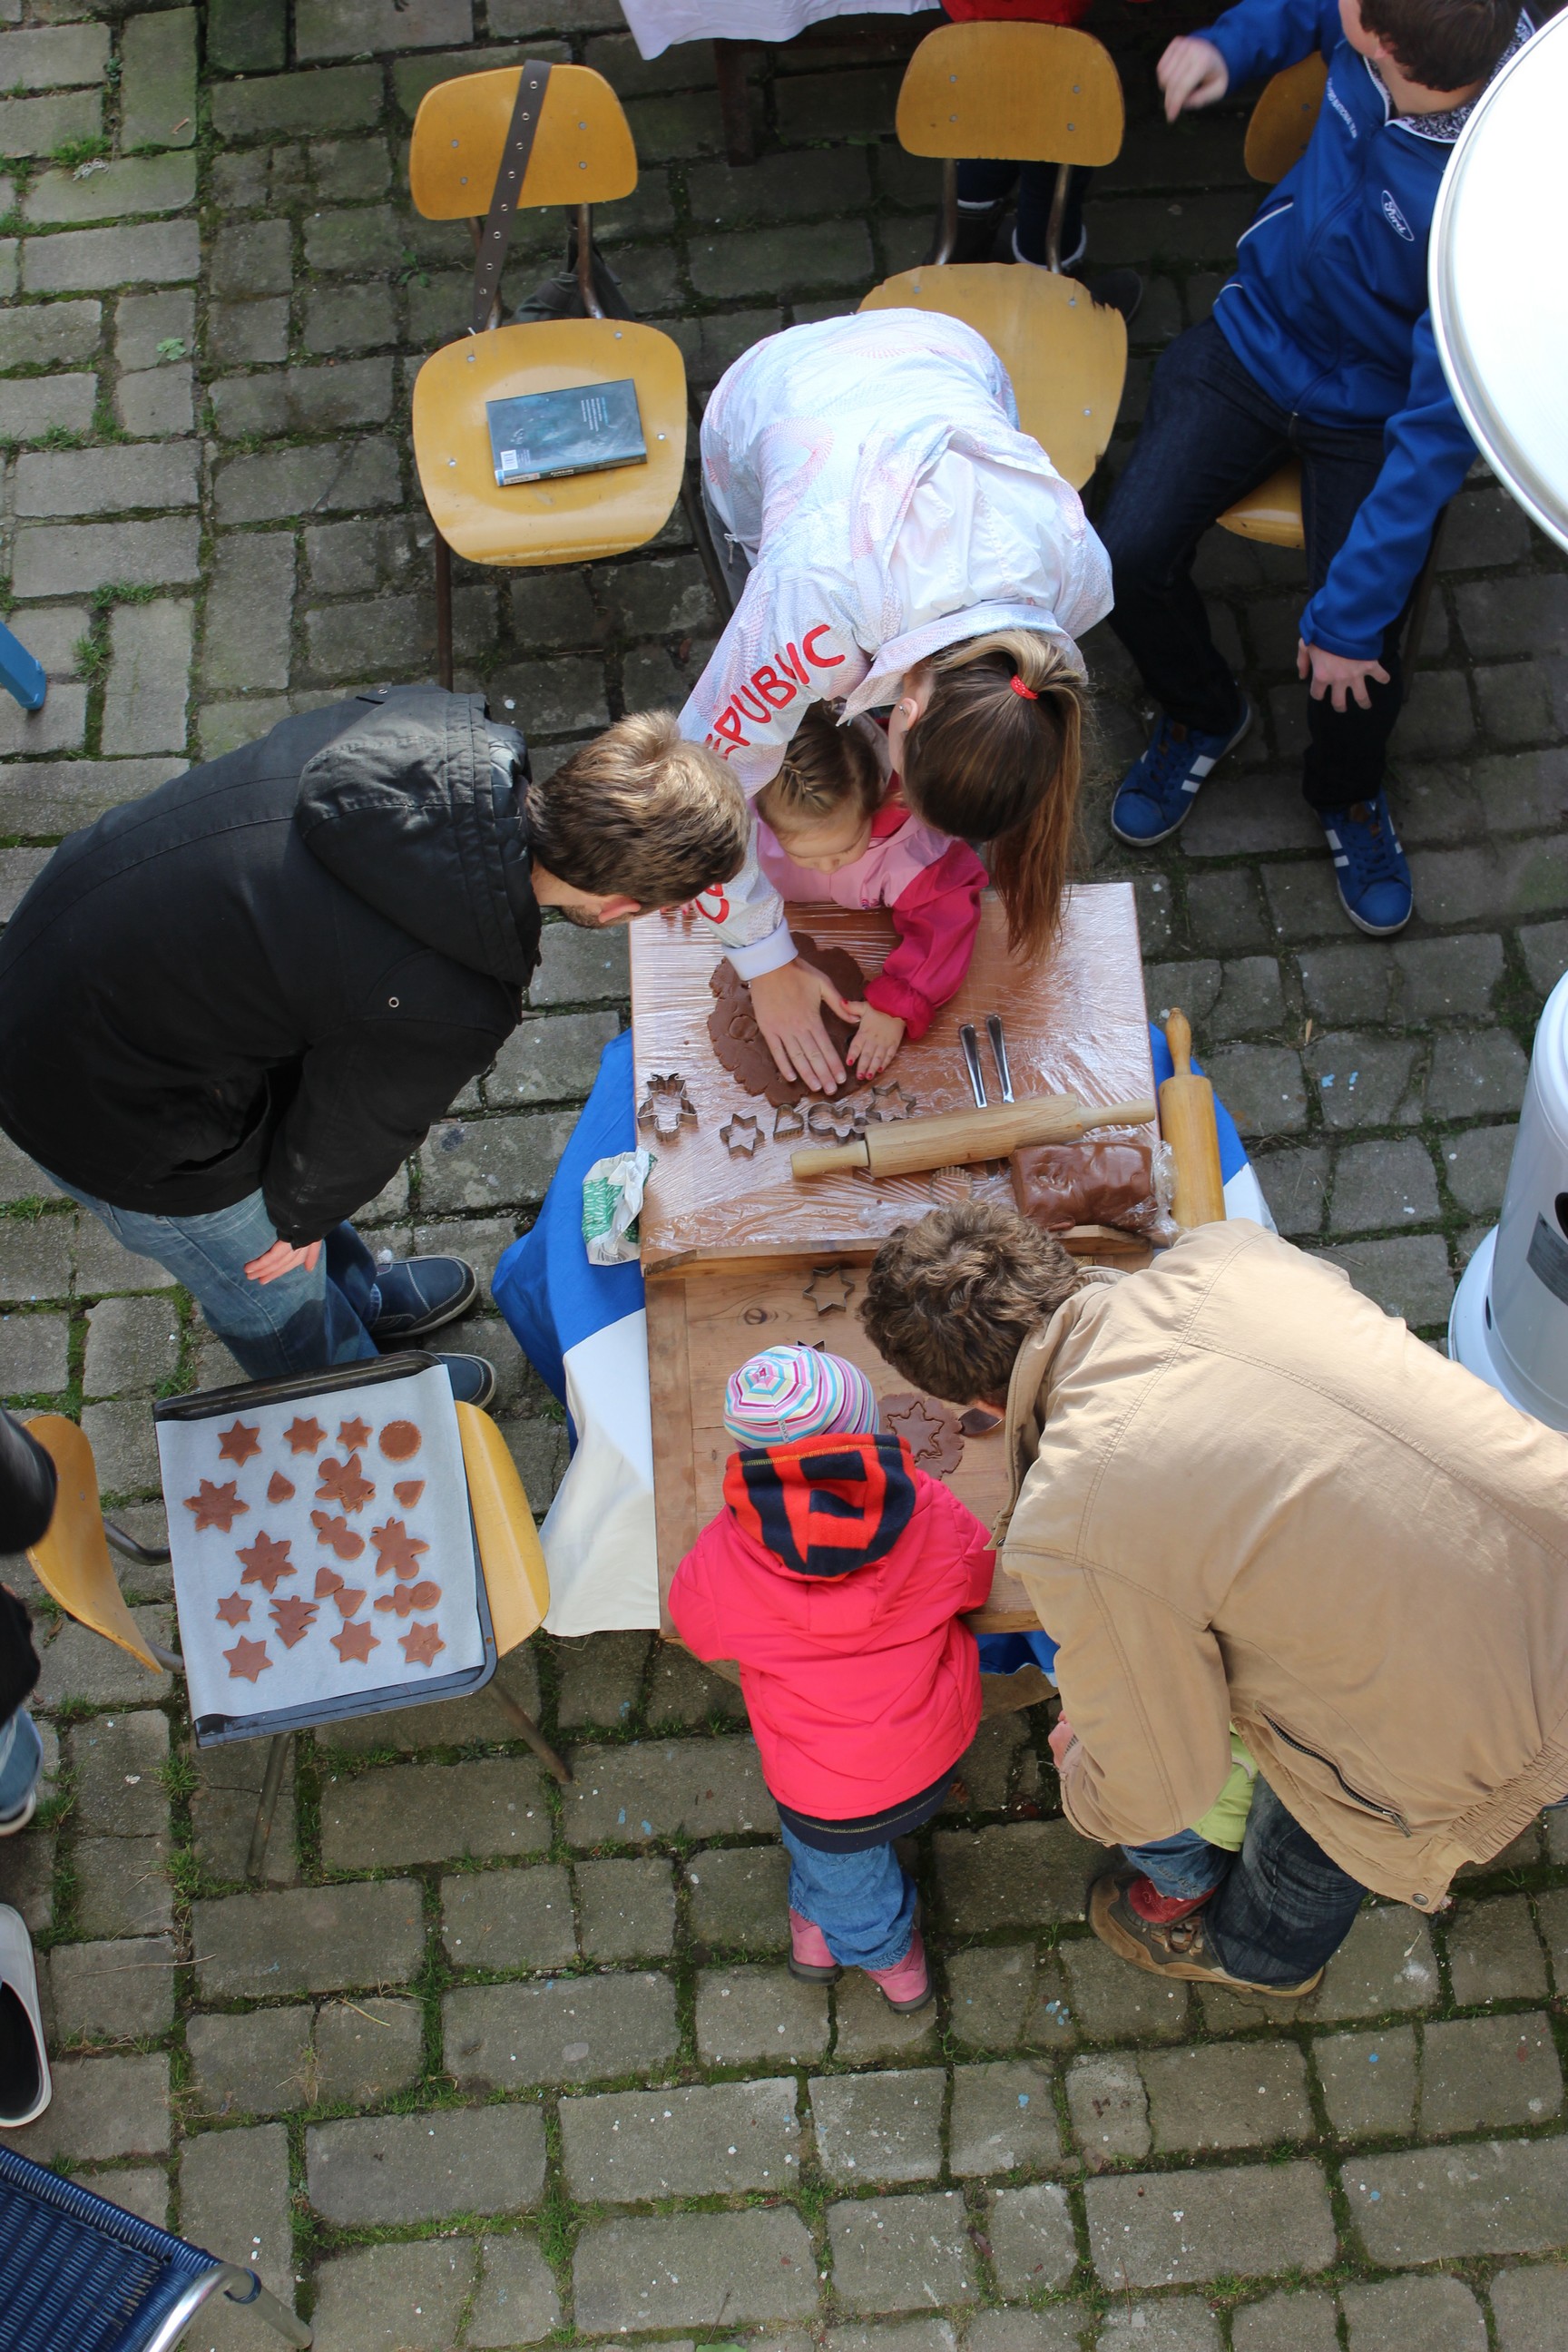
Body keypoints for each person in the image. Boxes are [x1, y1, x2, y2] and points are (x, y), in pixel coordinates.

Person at [863, 1205, 1568, 1997]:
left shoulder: (1075, 1517)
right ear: (1048, 1256)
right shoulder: (1232, 1255)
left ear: (978, 1404)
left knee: (1319, 1825)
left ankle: (1264, 1959)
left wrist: (1085, 1776)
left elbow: (1165, 1789)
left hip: (1460, 1720)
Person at [0, 694, 748, 1402]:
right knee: (272, 1282)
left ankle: (356, 1296)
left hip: (74, 936)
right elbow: (354, 1128)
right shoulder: (446, 992)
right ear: (619, 907)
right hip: (96, 1096)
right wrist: (295, 1223)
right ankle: (359, 1390)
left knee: (298, 1193)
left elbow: (330, 1096)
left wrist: (307, 1208)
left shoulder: (439, 732)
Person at [1102, 0, 1529, 938]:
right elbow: (1300, 6)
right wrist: (1226, 45)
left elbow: (1433, 440)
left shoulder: (1497, 202)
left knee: (1361, 655)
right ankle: (1202, 711)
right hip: (1254, 339)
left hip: (1375, 411)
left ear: (1387, 45)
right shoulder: (1394, 25)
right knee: (1123, 557)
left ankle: (1347, 792)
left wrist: (1347, 618)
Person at [679, 309, 1111, 1096]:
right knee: (759, 684)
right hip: (787, 392)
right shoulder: (811, 609)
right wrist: (764, 963)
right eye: (909, 793)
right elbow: (698, 777)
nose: (898, 817)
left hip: (949, 359)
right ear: (898, 720)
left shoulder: (1078, 577)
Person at [668, 1344, 995, 2010]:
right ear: (868, 1432)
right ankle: (821, 1913)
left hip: (823, 1791)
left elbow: (694, 1627)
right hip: (931, 1746)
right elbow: (976, 1578)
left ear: (751, 1459)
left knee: (850, 1880)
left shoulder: (727, 1551)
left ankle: (888, 1959)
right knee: (838, 1870)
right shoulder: (928, 1508)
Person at [752, 703, 989, 1080]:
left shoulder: (908, 850)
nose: (828, 866)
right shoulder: (746, 814)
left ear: (873, 807)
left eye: (846, 848)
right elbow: (715, 851)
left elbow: (946, 921)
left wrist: (899, 1003)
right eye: (802, 856)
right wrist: (701, 884)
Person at [933, 0, 1145, 320]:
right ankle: (1048, 310)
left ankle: (954, 272)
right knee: (1051, 174)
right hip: (1052, 29)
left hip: (970, 17)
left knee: (981, 135)